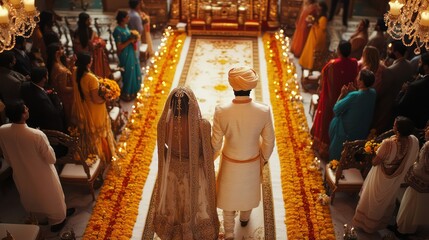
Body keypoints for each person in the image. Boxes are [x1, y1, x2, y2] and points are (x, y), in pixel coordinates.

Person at [212, 67, 275, 240]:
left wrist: (209, 159)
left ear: (232, 86)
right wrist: (263, 159)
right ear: (251, 87)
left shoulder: (221, 111)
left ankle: (230, 233)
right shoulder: (263, 111)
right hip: (252, 161)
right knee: (248, 193)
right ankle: (245, 219)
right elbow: (269, 141)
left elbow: (216, 144)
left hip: (230, 162)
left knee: (228, 198)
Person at [153, 86, 219, 239]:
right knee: (194, 205)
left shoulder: (164, 124)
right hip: (193, 173)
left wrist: (173, 157)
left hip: (172, 172)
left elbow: (163, 150)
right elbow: (207, 152)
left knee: (175, 204)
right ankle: (194, 232)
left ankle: (175, 232)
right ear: (192, 104)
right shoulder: (201, 125)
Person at [0, 100, 71, 232]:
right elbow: (51, 159)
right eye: (25, 108)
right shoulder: (36, 135)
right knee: (52, 197)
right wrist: (48, 144)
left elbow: (6, 154)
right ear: (22, 115)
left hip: (20, 172)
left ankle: (41, 218)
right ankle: (58, 221)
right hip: (42, 172)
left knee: (31, 196)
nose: (28, 108)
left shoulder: (2, 131)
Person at [352, 116, 419, 233]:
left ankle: (365, 224)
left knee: (372, 199)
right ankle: (376, 224)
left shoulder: (388, 144)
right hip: (394, 178)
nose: (392, 127)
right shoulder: (412, 141)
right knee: (383, 202)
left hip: (381, 176)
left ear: (398, 130)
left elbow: (375, 162)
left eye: (394, 125)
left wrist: (373, 153)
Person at [311, 40, 358, 160]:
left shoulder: (331, 65)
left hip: (330, 100)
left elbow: (322, 83)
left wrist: (320, 90)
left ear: (338, 51)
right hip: (346, 100)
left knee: (326, 121)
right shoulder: (354, 63)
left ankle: (323, 148)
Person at [71, 52, 115, 163]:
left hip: (84, 107)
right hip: (95, 110)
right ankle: (103, 158)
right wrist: (107, 98)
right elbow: (96, 99)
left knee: (90, 134)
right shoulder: (91, 79)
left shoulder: (75, 72)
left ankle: (92, 155)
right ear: (88, 63)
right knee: (100, 134)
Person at [328, 69, 376, 160]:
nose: (356, 78)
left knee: (337, 119)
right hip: (361, 132)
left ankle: (334, 163)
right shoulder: (373, 93)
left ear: (361, 81)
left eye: (358, 76)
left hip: (346, 134)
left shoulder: (354, 96)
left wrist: (342, 94)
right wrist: (355, 92)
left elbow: (336, 109)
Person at [372, 40, 414, 134]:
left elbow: (382, 90)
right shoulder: (411, 65)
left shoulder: (390, 71)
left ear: (396, 52)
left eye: (391, 49)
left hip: (388, 106)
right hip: (404, 104)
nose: (389, 51)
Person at [393, 126, 429, 236]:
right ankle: (409, 228)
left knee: (410, 203)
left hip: (420, 178)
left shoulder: (428, 145)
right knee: (417, 204)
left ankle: (402, 229)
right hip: (424, 181)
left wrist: (414, 167)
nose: (426, 131)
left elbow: (425, 164)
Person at [20, 67, 65, 132]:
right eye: (47, 75)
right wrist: (56, 99)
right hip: (47, 127)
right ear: (44, 78)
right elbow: (55, 113)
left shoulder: (25, 86)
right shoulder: (42, 99)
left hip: (33, 121)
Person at [113, 10, 142, 101]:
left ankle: (133, 91)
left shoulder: (125, 26)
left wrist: (134, 39)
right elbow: (119, 47)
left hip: (131, 52)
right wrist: (130, 40)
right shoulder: (117, 30)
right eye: (127, 17)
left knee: (134, 71)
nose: (129, 18)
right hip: (125, 54)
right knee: (128, 73)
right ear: (122, 19)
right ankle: (126, 93)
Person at [395, 52, 429, 129]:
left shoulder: (415, 86)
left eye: (420, 62)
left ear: (426, 66)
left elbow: (399, 106)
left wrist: (402, 91)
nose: (418, 65)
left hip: (410, 126)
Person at [73, 12, 111, 78]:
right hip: (89, 57)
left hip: (80, 57)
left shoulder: (76, 31)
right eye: (88, 20)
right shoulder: (90, 31)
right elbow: (92, 46)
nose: (90, 21)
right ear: (85, 21)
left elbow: (76, 47)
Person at [46, 43, 74, 128]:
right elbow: (63, 88)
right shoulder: (60, 69)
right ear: (57, 53)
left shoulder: (55, 63)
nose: (63, 50)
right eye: (61, 49)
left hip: (61, 96)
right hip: (66, 98)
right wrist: (76, 88)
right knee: (69, 118)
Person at [299, 1, 328, 71]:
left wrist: (313, 23)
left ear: (322, 8)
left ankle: (311, 65)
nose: (317, 8)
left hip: (317, 37)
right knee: (309, 49)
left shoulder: (324, 18)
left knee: (313, 51)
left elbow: (321, 30)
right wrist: (313, 23)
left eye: (319, 6)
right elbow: (317, 25)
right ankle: (307, 63)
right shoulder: (320, 15)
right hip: (314, 34)